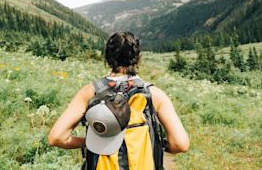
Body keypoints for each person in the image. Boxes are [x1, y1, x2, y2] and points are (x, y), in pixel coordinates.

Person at [48, 32, 189, 169]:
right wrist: (157, 144)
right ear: (138, 58)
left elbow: (57, 138)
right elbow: (181, 144)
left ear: (107, 58)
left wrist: (90, 142)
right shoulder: (154, 94)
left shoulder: (90, 92)